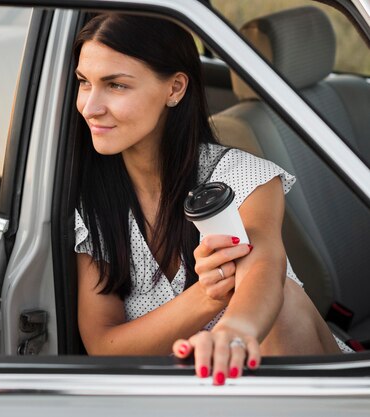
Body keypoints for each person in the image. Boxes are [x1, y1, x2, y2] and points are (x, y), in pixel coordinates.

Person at [73, 13, 350, 386]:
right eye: (83, 83)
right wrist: (207, 296)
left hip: (289, 379)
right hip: (172, 397)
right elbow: (104, 347)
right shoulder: (91, 202)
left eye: (116, 85)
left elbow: (264, 265)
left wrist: (234, 331)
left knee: (283, 298)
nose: (90, 107)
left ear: (175, 89)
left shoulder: (242, 176)